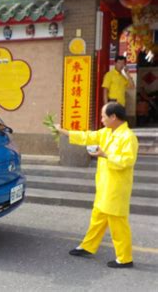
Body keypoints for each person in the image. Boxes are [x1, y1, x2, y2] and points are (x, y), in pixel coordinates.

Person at [55, 102, 138, 269]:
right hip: (105, 185)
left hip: (116, 188)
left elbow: (127, 161)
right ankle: (88, 246)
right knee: (98, 218)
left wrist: (105, 154)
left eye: (103, 116)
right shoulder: (107, 132)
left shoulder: (128, 137)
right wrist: (63, 132)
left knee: (118, 224)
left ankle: (125, 257)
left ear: (113, 117)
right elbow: (88, 136)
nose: (101, 119)